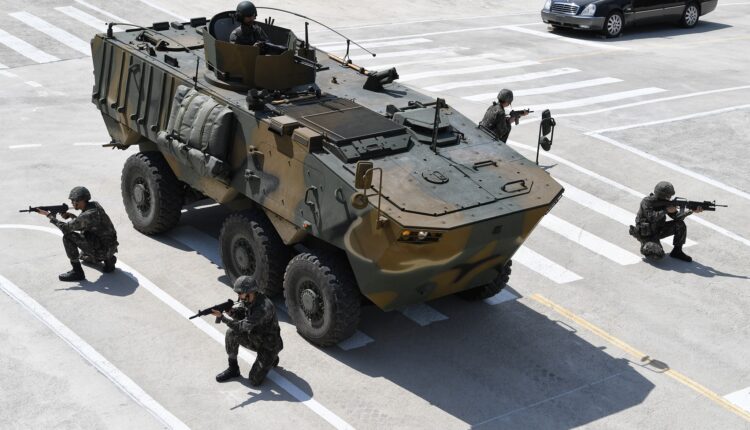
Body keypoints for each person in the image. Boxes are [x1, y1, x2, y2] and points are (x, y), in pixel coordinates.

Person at [37, 186, 119, 281]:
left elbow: (65, 228)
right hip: (110, 246)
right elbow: (86, 225)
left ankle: (77, 272)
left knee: (68, 237)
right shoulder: (95, 206)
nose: (72, 203)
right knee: (84, 255)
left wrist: (49, 216)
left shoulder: (88, 215)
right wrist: (71, 216)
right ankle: (109, 260)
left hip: (102, 250)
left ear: (81, 201)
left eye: (73, 200)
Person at [213, 276, 283, 386]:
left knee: (254, 380)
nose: (239, 296)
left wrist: (222, 318)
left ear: (249, 292)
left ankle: (272, 357)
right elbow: (243, 315)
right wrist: (231, 312)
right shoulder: (249, 300)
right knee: (231, 333)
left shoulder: (263, 308)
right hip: (255, 338)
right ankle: (233, 368)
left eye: (240, 293)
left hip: (268, 345)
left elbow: (242, 326)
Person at [631, 181, 702, 262]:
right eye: (668, 196)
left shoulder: (666, 203)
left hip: (659, 230)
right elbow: (651, 218)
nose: (670, 197)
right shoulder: (647, 202)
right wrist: (666, 210)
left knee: (680, 224)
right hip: (648, 234)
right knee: (658, 255)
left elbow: (677, 217)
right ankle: (645, 245)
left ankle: (677, 251)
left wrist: (691, 211)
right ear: (662, 195)